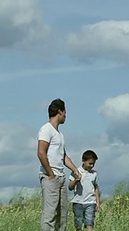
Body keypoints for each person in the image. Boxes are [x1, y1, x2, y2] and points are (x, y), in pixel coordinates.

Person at [37, 98, 82, 231]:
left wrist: (75, 169)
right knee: (49, 215)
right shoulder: (46, 129)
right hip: (50, 177)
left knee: (62, 216)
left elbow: (63, 156)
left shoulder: (59, 135)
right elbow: (41, 152)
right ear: (59, 112)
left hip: (61, 177)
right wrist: (50, 173)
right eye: (65, 113)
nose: (65, 116)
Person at [68, 150, 101, 231]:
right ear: (83, 161)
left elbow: (96, 188)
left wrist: (97, 202)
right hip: (78, 202)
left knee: (89, 222)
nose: (92, 165)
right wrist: (76, 180)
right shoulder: (76, 171)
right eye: (90, 163)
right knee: (78, 222)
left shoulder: (94, 174)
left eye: (93, 163)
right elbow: (70, 187)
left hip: (90, 202)